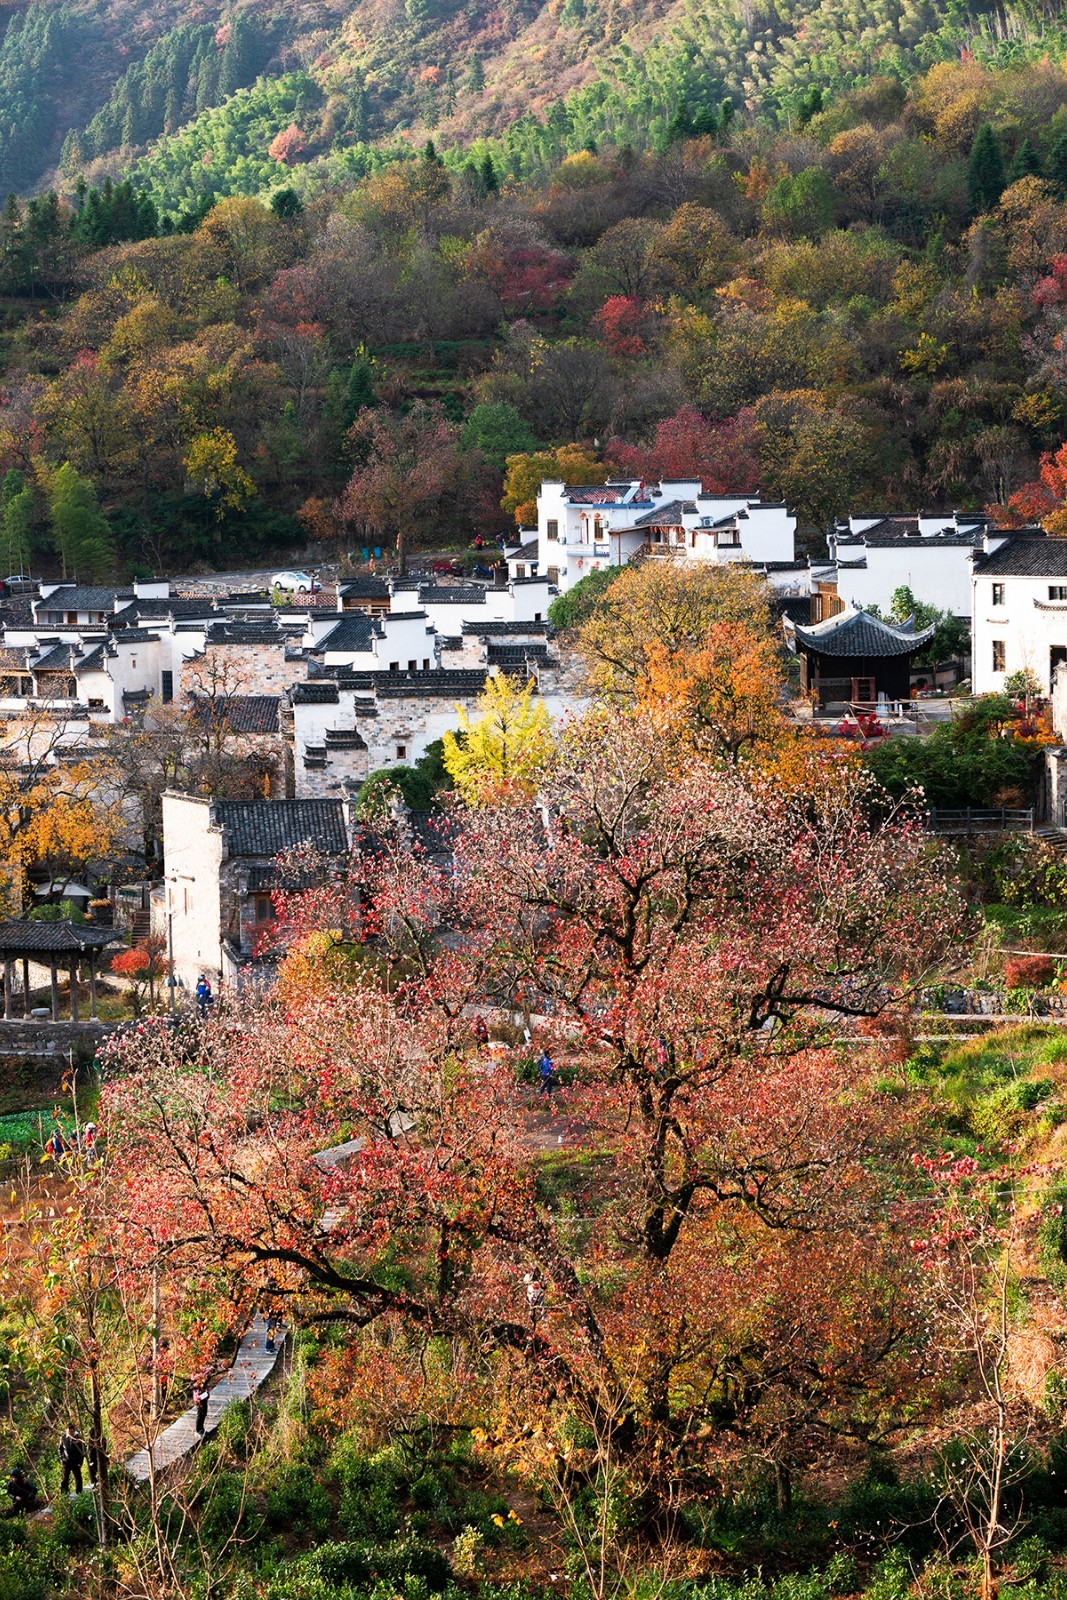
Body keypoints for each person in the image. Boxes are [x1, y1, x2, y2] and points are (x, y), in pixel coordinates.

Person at [59, 1424, 85, 1496]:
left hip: (76, 1461)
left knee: (78, 1478)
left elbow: (82, 1451)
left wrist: (80, 1462)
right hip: (66, 1461)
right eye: (69, 1432)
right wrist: (62, 1458)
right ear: (66, 1430)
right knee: (65, 1478)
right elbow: (60, 1449)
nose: (71, 1433)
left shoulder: (78, 1438)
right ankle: (64, 1494)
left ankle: (79, 1493)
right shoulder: (63, 1437)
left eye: (72, 1432)